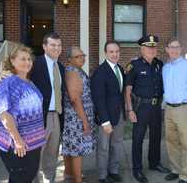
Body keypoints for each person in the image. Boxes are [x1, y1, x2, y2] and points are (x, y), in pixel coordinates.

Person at [0, 45, 46, 183]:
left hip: (33, 143)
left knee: (27, 178)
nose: (27, 62)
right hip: (18, 145)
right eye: (23, 59)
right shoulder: (8, 83)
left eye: (29, 59)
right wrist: (17, 140)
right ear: (12, 61)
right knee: (19, 179)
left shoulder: (30, 83)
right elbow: (4, 114)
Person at [125, 35, 169, 183]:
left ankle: (154, 163)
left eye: (154, 47)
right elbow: (128, 90)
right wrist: (130, 110)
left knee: (156, 137)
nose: (152, 50)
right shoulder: (134, 65)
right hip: (141, 107)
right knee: (138, 139)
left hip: (156, 107)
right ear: (142, 49)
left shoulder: (159, 64)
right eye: (149, 47)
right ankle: (137, 170)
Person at [31, 32, 65, 183]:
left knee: (52, 155)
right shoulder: (35, 63)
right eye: (53, 45)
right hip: (39, 117)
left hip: (56, 116)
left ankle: (49, 180)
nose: (56, 48)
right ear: (44, 47)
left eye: (59, 45)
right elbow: (19, 76)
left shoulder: (61, 68)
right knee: (36, 155)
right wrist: (3, 76)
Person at [91, 41, 125, 183]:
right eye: (111, 52)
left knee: (116, 145)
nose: (115, 54)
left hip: (119, 115)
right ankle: (102, 175)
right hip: (106, 118)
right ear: (106, 53)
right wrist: (105, 121)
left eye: (117, 51)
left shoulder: (120, 69)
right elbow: (98, 99)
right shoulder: (100, 72)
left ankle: (113, 170)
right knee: (103, 148)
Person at [61, 46, 95, 183]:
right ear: (69, 59)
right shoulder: (73, 72)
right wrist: (85, 122)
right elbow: (75, 99)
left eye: (83, 55)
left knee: (71, 148)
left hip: (76, 117)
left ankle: (70, 174)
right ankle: (77, 179)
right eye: (78, 56)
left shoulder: (76, 70)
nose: (82, 58)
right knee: (77, 150)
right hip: (76, 118)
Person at [163, 38, 187, 183]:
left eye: (177, 47)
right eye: (171, 47)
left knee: (185, 142)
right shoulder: (165, 68)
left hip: (183, 108)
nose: (174, 50)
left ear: (182, 49)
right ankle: (175, 169)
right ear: (167, 49)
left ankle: (185, 174)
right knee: (171, 141)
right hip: (168, 109)